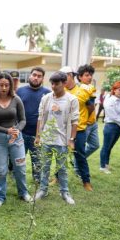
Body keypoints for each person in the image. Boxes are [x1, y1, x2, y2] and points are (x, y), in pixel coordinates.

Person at [0, 72, 31, 207]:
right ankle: (0, 196)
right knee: (1, 170)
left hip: (16, 138)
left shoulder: (16, 99)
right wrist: (6, 130)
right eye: (1, 85)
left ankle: (23, 193)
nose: (4, 88)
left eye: (6, 85)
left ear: (10, 85)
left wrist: (17, 129)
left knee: (20, 167)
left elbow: (23, 120)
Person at [34, 71, 79, 205]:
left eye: (57, 84)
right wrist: (38, 136)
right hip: (47, 138)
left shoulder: (72, 100)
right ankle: (43, 190)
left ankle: (64, 192)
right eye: (52, 83)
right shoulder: (46, 98)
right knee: (45, 166)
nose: (53, 86)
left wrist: (71, 139)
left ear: (64, 83)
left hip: (62, 140)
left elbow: (75, 121)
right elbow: (40, 118)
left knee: (62, 168)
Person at [62, 65, 96, 192]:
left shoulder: (83, 91)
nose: (62, 80)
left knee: (80, 155)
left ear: (71, 76)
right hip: (64, 130)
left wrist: (84, 120)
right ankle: (57, 177)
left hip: (80, 130)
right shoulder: (61, 91)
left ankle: (86, 181)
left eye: (64, 77)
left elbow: (91, 107)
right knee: (61, 154)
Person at [16, 67, 51, 180]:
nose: (36, 78)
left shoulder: (47, 93)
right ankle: (18, 178)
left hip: (38, 135)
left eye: (39, 76)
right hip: (21, 132)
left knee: (37, 161)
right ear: (30, 76)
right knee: (19, 159)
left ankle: (37, 181)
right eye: (34, 75)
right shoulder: (20, 91)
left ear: (42, 79)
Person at [100, 81, 120, 173]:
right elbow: (112, 115)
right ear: (114, 90)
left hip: (118, 127)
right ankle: (102, 166)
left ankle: (106, 164)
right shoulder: (109, 100)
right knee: (106, 146)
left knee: (110, 147)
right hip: (111, 126)